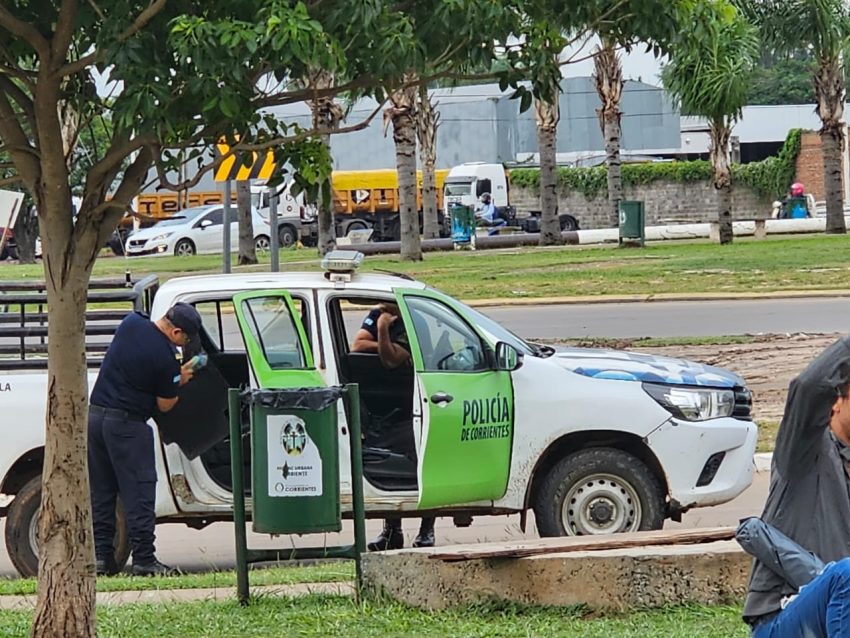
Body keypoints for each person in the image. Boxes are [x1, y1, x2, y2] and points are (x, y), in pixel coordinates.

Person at [743, 335, 850, 636]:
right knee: (846, 575)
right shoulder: (805, 452)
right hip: (783, 620)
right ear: (836, 403)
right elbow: (808, 388)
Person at [89, 302, 202, 576]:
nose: (184, 344)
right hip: (127, 426)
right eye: (185, 339)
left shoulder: (131, 323)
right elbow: (165, 404)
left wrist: (171, 375)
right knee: (139, 492)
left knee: (102, 493)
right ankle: (144, 560)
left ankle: (102, 557)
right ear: (176, 332)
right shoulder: (165, 358)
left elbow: (133, 366)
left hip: (95, 419)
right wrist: (179, 379)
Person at [351, 303, 436, 550]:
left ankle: (426, 531)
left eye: (383, 303)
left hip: (417, 399)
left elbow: (391, 360)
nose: (377, 307)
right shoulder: (379, 314)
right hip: (389, 405)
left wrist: (382, 330)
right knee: (392, 466)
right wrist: (382, 333)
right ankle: (392, 532)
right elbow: (357, 345)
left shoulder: (414, 323)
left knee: (421, 465)